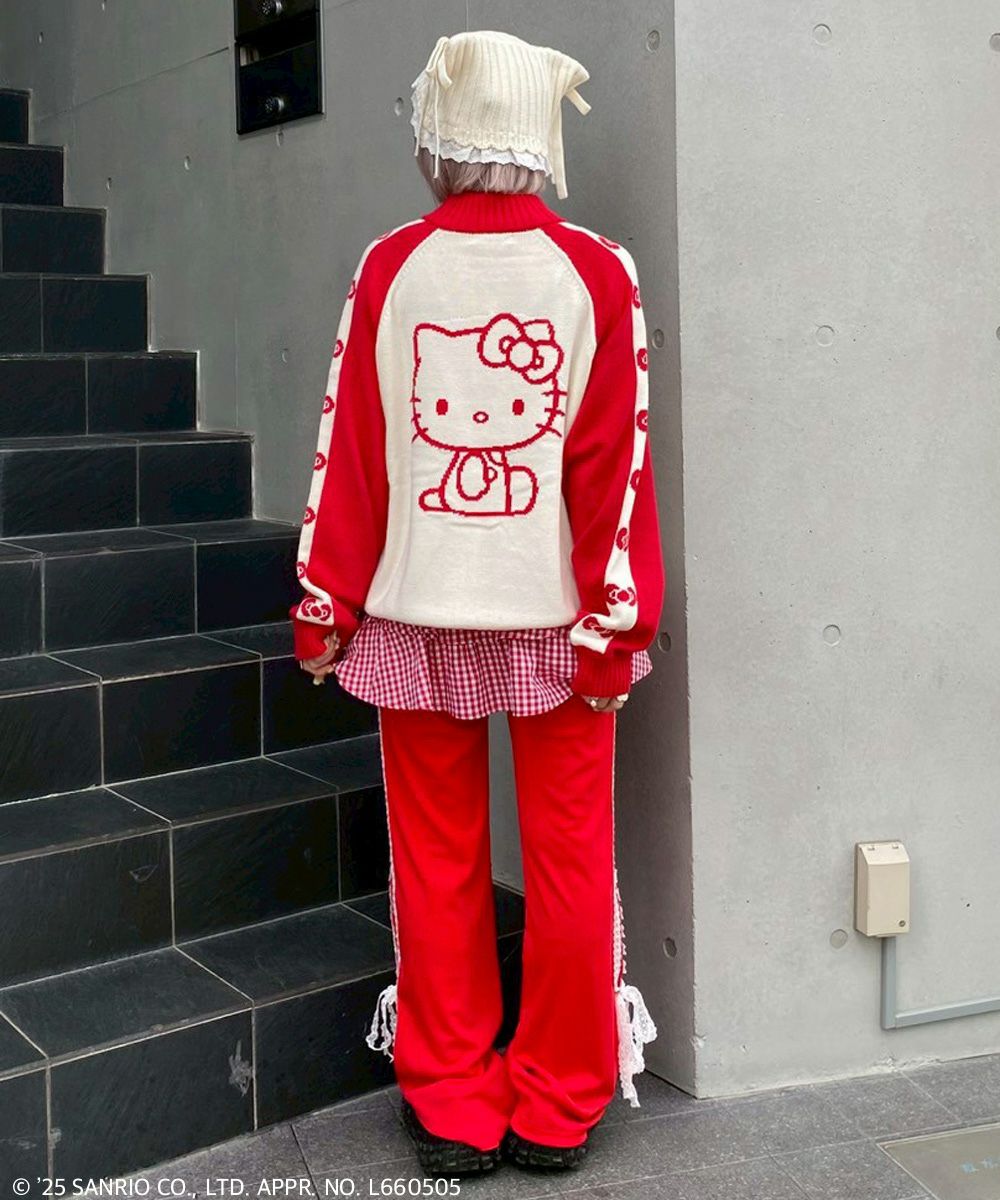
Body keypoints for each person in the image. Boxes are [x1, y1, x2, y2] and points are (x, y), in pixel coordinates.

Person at [288, 29, 666, 1178]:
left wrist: (324, 603)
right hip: (559, 623)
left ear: (438, 139)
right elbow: (614, 466)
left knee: (435, 860)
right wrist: (616, 622)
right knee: (568, 861)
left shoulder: (390, 266)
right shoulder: (597, 271)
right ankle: (559, 1099)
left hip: (415, 616)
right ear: (540, 138)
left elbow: (354, 452)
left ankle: (451, 1096)